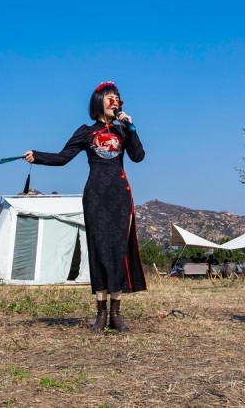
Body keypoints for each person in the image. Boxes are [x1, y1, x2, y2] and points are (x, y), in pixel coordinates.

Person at [23, 81, 146, 332]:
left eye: (117, 97)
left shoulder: (124, 130)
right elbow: (63, 158)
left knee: (117, 251)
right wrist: (38, 156)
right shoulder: (86, 132)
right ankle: (100, 313)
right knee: (99, 250)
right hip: (96, 196)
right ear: (98, 101)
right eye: (109, 97)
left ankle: (116, 314)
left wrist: (131, 127)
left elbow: (138, 156)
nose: (114, 100)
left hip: (120, 196)